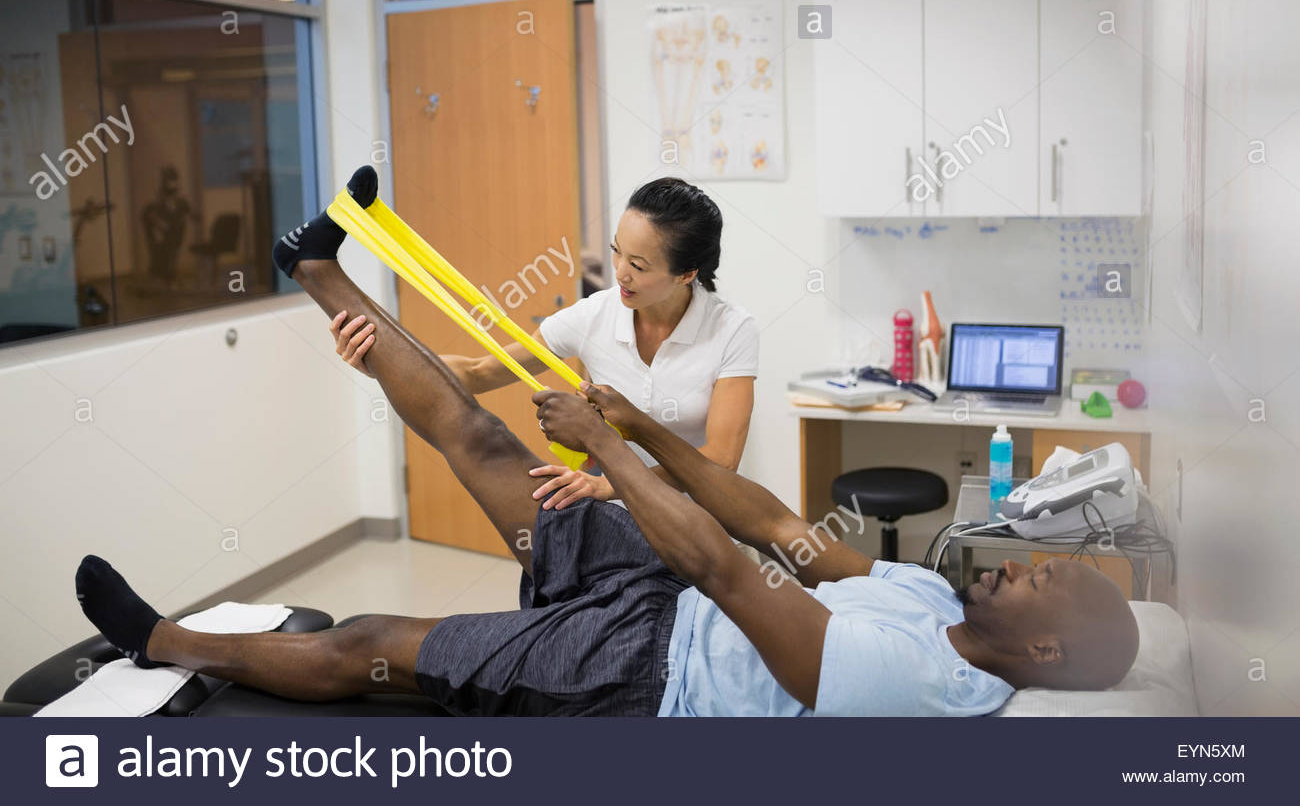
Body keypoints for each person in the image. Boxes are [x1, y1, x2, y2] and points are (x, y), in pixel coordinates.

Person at [71, 171, 1140, 716]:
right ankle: (316, 269)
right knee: (480, 437)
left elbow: (726, 562)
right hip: (662, 569)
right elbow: (769, 520)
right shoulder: (928, 601)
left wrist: (608, 450)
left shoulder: (910, 680)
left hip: (648, 667)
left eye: (1041, 578)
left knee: (372, 634)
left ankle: (167, 642)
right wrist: (622, 430)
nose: (1014, 560)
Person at [327, 174, 758, 511]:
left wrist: (611, 486)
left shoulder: (731, 330)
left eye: (639, 265)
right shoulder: (593, 316)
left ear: (687, 274)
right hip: (615, 517)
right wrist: (379, 360)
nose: (620, 273)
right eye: (616, 252)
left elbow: (721, 458)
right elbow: (480, 372)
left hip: (703, 520)